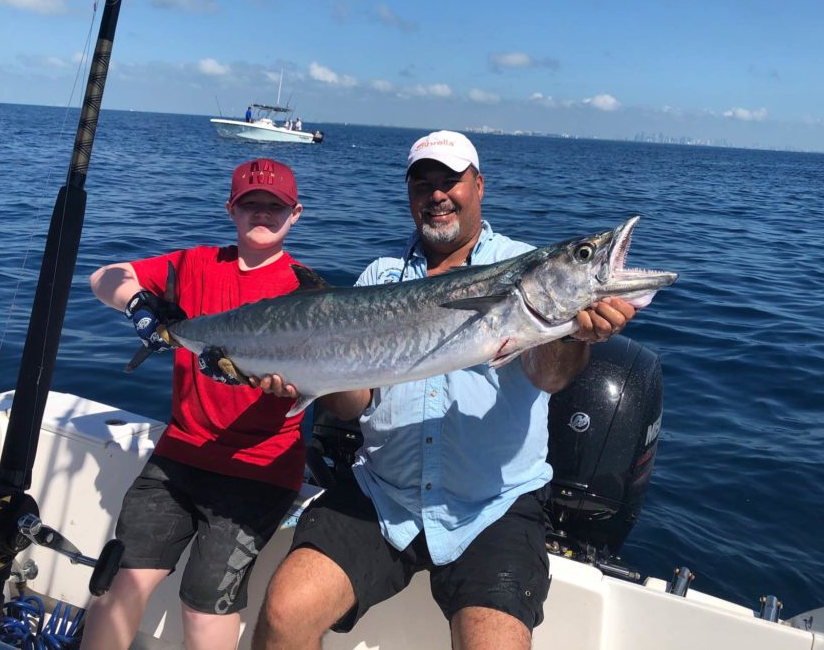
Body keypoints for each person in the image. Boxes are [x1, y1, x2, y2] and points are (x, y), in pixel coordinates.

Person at [250, 131, 638, 650]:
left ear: (478, 185)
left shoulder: (521, 265)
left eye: (450, 182)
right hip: (383, 493)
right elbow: (355, 404)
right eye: (423, 184)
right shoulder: (379, 277)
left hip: (492, 506)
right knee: (283, 613)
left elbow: (549, 378)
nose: (437, 195)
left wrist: (574, 333)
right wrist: (315, 379)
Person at [82, 158, 309, 650]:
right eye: (252, 204)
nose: (263, 213)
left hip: (260, 467)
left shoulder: (306, 291)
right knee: (119, 581)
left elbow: (322, 375)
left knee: (205, 601)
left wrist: (294, 385)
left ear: (296, 213)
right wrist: (138, 304)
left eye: (276, 206)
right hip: (179, 455)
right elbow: (104, 275)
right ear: (232, 209)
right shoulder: (194, 266)